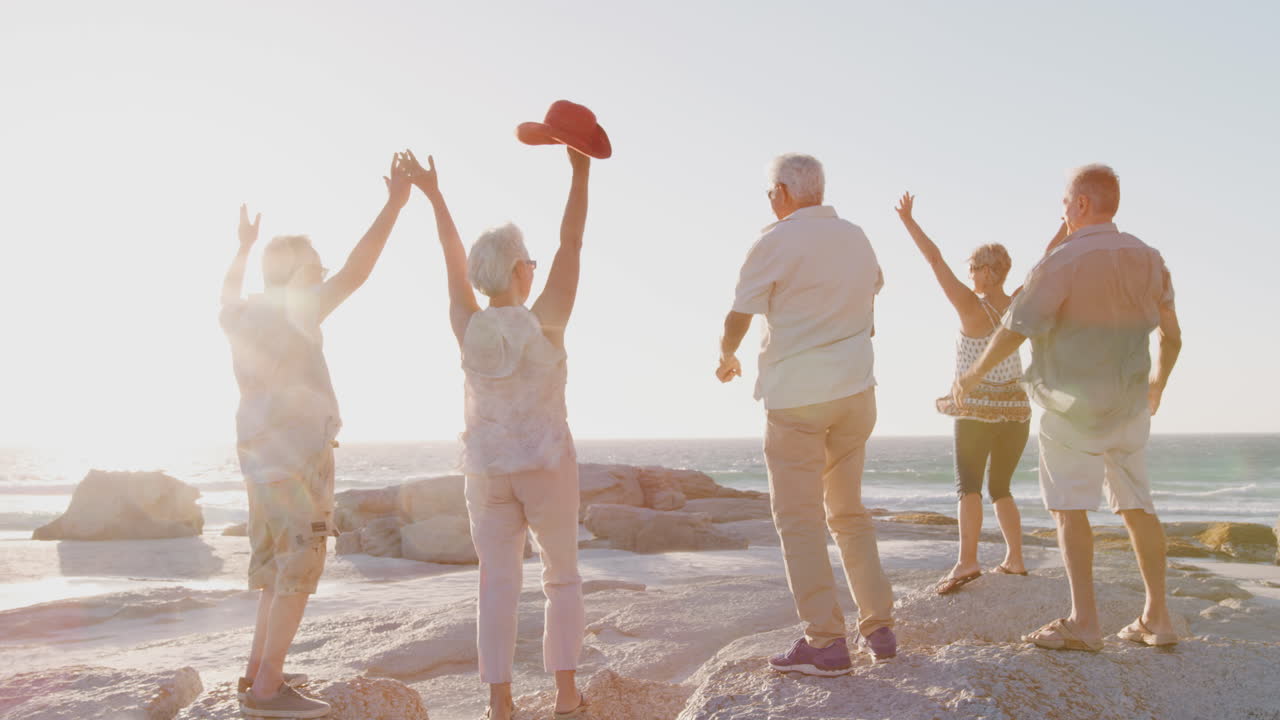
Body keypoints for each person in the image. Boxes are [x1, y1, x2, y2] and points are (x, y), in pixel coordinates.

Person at [954, 164, 1182, 651]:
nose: (1063, 210)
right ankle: (1157, 619)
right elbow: (1173, 335)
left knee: (1069, 509)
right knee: (1139, 506)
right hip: (1129, 404)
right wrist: (1158, 385)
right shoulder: (1150, 258)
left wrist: (972, 376)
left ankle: (1085, 623)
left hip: (1071, 408)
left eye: (1064, 202)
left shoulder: (1061, 261)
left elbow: (1015, 328)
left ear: (1081, 204)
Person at [400, 148, 590, 719]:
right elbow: (572, 245)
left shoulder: (469, 325)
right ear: (515, 270)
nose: (535, 267)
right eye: (528, 260)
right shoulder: (546, 318)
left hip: (486, 473)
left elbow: (451, 262)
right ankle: (565, 698)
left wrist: (434, 197)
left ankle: (499, 705)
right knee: (562, 579)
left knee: (496, 584)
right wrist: (580, 171)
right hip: (547, 466)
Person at [220, 154, 411, 718]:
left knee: (274, 568)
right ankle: (267, 691)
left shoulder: (242, 314)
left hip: (256, 458)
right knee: (300, 569)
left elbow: (228, 290)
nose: (324, 271)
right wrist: (395, 204)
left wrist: (243, 247)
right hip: (299, 461)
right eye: (316, 265)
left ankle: (257, 671)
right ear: (301, 274)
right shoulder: (297, 312)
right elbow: (359, 268)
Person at [717, 153, 896, 677]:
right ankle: (879, 628)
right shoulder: (856, 236)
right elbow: (874, 290)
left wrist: (726, 356)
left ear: (783, 193)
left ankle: (825, 642)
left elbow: (739, 314)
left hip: (797, 398)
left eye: (771, 193)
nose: (770, 201)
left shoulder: (773, 241)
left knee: (799, 520)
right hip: (856, 393)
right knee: (848, 511)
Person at [895, 193, 1066, 594]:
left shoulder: (971, 306)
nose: (968, 274)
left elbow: (934, 260)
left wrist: (907, 220)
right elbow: (1047, 259)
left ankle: (967, 561)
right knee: (1000, 487)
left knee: (968, 486)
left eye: (972, 268)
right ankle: (1015, 559)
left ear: (988, 272)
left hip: (974, 410)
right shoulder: (1018, 304)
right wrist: (1068, 224)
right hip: (1017, 411)